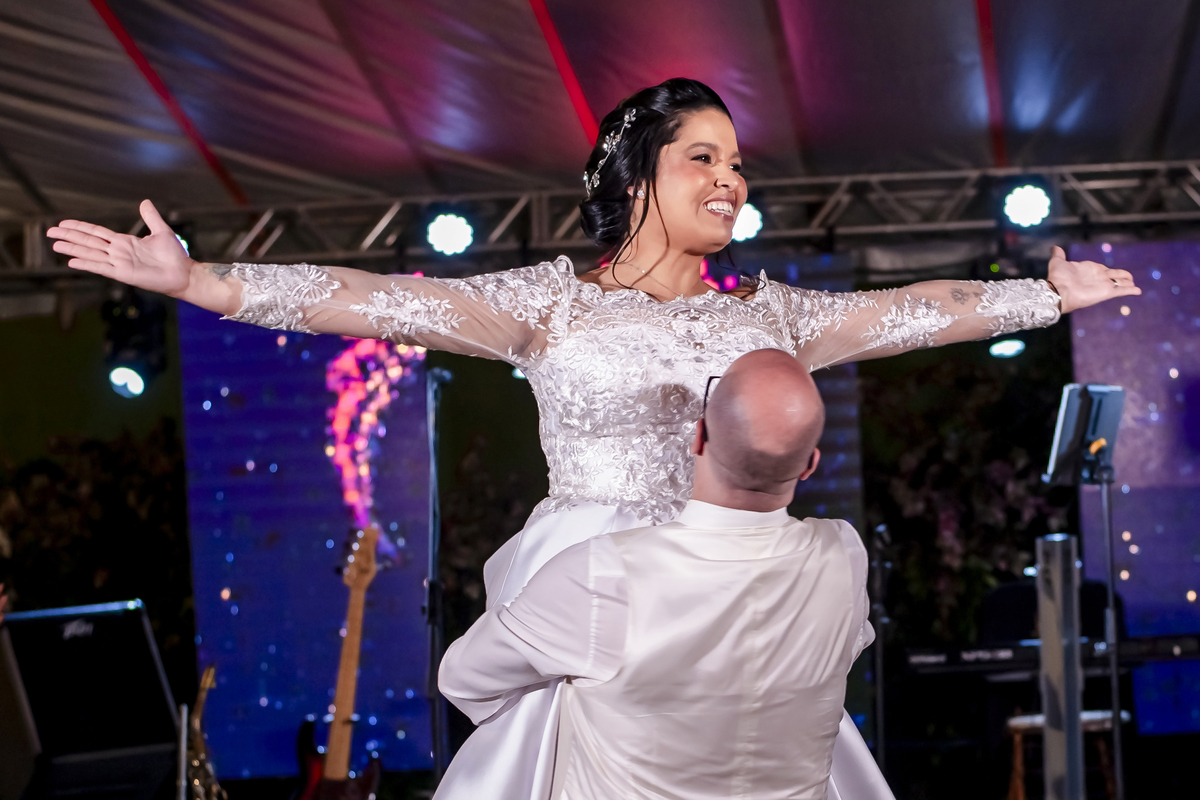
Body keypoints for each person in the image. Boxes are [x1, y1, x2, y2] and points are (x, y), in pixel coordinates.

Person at [46, 78, 1140, 800]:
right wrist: (203, 282)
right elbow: (370, 298)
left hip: (728, 602)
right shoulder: (550, 305)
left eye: (737, 163)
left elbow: (916, 311)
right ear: (637, 177)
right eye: (703, 158)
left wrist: (1038, 302)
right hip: (593, 600)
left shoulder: (771, 314)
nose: (732, 180)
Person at [439, 349, 884, 800]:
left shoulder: (603, 574)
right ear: (810, 464)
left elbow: (463, 677)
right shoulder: (843, 555)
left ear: (697, 437)